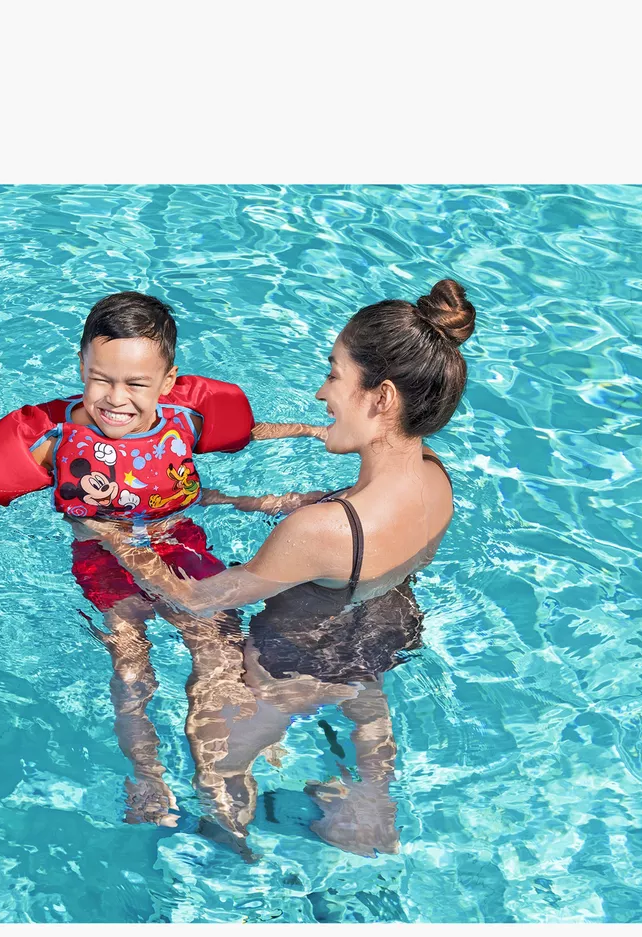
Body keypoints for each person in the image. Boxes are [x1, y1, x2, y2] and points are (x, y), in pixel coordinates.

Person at [0, 291, 325, 826]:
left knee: (219, 648)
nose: (116, 399)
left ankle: (229, 764)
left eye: (136, 384)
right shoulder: (58, 442)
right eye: (101, 379)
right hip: (103, 558)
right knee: (132, 670)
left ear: (168, 382)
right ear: (81, 366)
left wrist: (310, 430)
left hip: (178, 542)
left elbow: (247, 433)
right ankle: (148, 776)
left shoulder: (185, 423)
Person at [83, 279, 476, 855]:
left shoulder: (323, 531)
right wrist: (238, 501)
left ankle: (234, 866)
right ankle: (369, 804)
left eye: (335, 374)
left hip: (285, 673)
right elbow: (346, 520)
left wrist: (117, 534)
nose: (322, 393)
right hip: (378, 646)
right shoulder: (436, 477)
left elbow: (195, 599)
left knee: (215, 769)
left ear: (382, 398)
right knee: (365, 738)